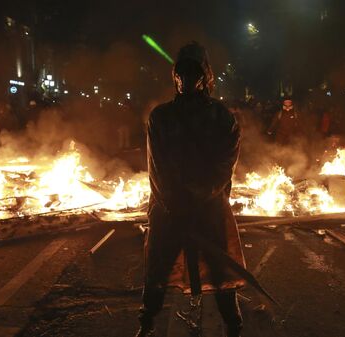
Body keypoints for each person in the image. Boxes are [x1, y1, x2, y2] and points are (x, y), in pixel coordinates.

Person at [137, 42, 245, 337]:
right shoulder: (160, 117)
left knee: (221, 270)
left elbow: (225, 164)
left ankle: (233, 326)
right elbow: (156, 166)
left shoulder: (222, 118)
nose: (185, 79)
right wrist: (173, 202)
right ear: (174, 76)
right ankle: (147, 323)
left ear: (205, 77)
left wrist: (201, 195)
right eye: (181, 72)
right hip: (168, 208)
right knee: (157, 270)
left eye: (193, 73)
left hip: (208, 208)